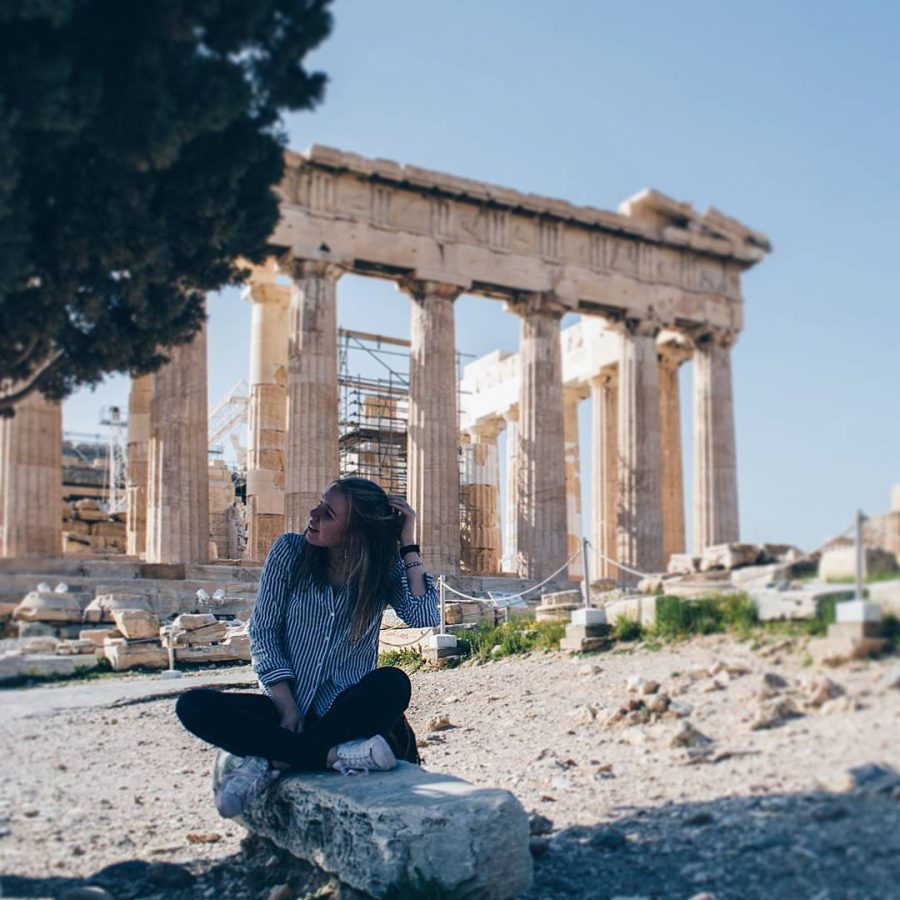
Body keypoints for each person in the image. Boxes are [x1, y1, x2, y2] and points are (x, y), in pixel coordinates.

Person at [175, 477, 439, 817]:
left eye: (328, 513)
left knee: (393, 683)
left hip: (344, 712)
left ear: (356, 533)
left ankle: (275, 759)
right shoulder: (289, 552)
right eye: (319, 503)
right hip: (288, 707)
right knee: (193, 706)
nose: (313, 514)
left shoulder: (380, 570)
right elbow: (264, 632)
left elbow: (423, 614)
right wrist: (287, 707)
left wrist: (408, 543)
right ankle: (329, 756)